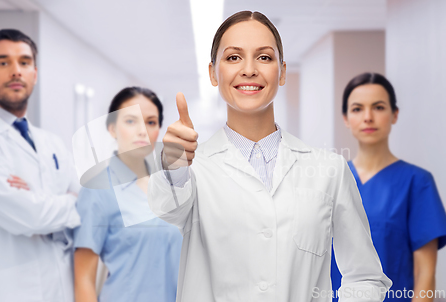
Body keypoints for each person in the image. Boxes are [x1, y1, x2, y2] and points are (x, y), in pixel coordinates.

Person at [148, 11, 392, 302]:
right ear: (214, 72)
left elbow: (364, 276)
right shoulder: (193, 170)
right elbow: (167, 209)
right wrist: (174, 165)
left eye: (264, 57)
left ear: (283, 71)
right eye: (233, 57)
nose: (249, 69)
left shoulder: (328, 169)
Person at [0, 29, 81, 302]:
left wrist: (40, 200)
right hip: (8, 293)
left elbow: (89, 211)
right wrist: (69, 202)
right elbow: (29, 216)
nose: (16, 71)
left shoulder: (52, 143)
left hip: (63, 290)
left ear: (35, 73)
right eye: (3, 62)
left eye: (24, 62)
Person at [330, 73, 446, 302]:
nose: (368, 117)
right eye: (357, 109)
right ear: (345, 118)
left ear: (395, 114)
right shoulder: (330, 180)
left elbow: (425, 274)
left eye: (379, 107)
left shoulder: (417, 183)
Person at [73, 87, 183, 302]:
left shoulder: (171, 186)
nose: (142, 130)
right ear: (112, 128)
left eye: (150, 122)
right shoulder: (98, 190)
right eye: (131, 121)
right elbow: (83, 279)